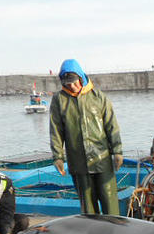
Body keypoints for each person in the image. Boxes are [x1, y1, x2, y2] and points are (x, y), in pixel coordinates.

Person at [49, 59, 123, 215]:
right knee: (88, 208)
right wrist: (58, 157)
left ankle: (115, 232)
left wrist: (117, 151)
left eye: (74, 82)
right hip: (78, 162)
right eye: (67, 83)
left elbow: (112, 126)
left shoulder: (99, 97)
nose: (72, 86)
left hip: (102, 159)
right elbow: (55, 130)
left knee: (110, 201)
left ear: (81, 77)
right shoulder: (59, 100)